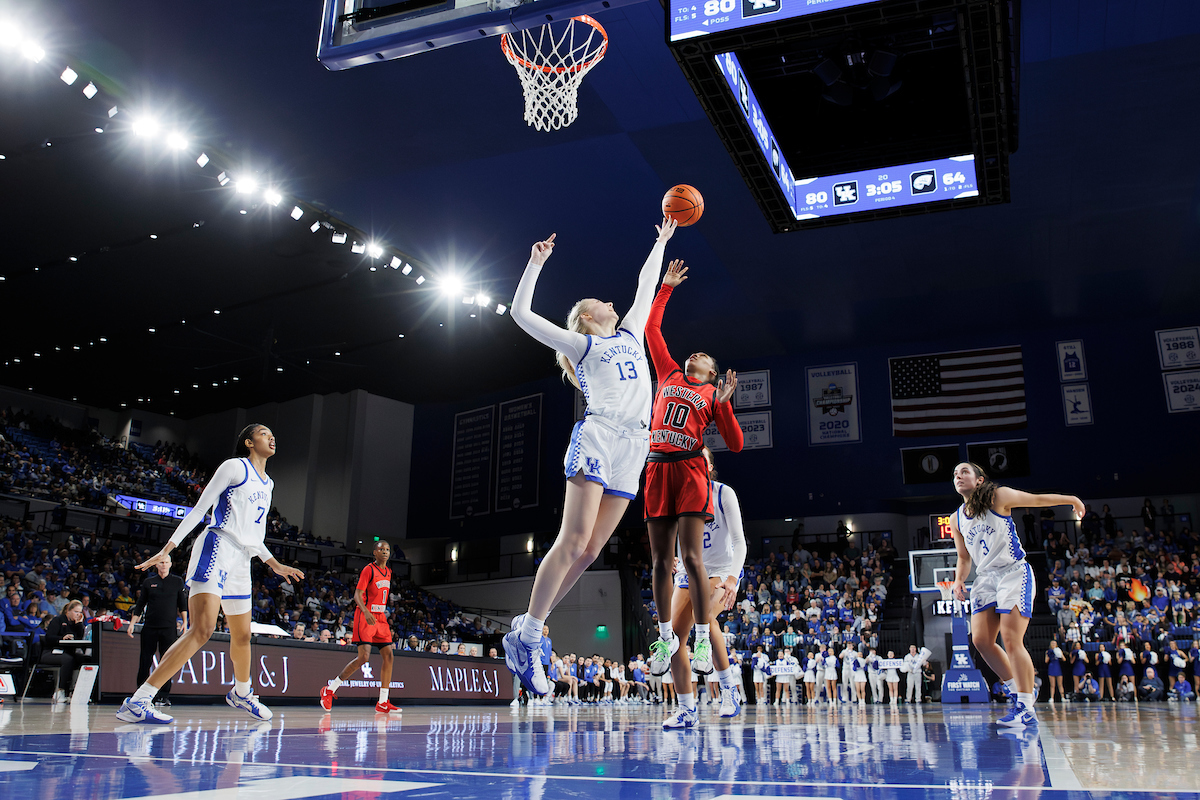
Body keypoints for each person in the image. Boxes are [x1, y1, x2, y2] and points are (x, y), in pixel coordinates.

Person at [503, 220, 676, 697]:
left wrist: (659, 240)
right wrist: (534, 265)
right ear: (584, 316)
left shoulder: (631, 334)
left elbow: (645, 286)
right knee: (573, 538)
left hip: (634, 446)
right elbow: (520, 314)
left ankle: (525, 627)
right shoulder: (582, 343)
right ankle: (530, 635)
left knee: (592, 550)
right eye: (602, 301)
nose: (613, 302)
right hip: (598, 436)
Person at [115, 424, 305, 724]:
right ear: (248, 442)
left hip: (243, 559)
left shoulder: (268, 484)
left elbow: (255, 536)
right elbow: (199, 508)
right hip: (217, 546)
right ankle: (139, 701)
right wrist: (169, 547)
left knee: (242, 635)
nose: (271, 436)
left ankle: (242, 693)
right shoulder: (234, 467)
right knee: (201, 630)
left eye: (273, 433)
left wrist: (274, 564)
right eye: (264, 433)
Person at [643, 260, 742, 689]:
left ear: (712, 373)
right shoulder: (667, 372)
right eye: (693, 353)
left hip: (689, 470)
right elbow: (652, 331)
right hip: (656, 468)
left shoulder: (710, 394)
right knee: (660, 561)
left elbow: (735, 444)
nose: (694, 354)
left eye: (703, 356)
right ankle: (666, 639)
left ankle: (702, 639)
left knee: (691, 559)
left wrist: (725, 404)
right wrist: (664, 288)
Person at [948, 461, 1084, 729]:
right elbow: (963, 557)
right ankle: (1019, 691)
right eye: (955, 474)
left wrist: (1071, 499)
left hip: (1013, 572)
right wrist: (958, 581)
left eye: (964, 471)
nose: (958, 476)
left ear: (979, 480)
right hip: (986, 578)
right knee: (982, 640)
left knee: (1011, 638)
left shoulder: (998, 496)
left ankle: (1024, 706)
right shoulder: (956, 518)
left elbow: (1036, 499)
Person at [660, 447, 747, 729]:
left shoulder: (724, 493)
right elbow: (677, 536)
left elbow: (740, 541)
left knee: (705, 616)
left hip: (721, 571)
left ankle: (728, 690)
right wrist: (674, 554)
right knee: (672, 639)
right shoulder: (681, 496)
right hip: (689, 571)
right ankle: (686, 709)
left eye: (702, 460)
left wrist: (733, 579)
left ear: (709, 466)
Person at [320, 539, 400, 713]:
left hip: (380, 617)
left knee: (389, 656)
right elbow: (357, 595)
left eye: (387, 549)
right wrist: (365, 611)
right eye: (381, 549)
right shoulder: (368, 569)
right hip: (366, 615)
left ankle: (383, 702)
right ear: (375, 552)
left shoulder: (388, 572)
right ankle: (329, 690)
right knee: (364, 657)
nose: (385, 552)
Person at [127, 558, 188, 706]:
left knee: (166, 662)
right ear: (156, 565)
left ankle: (163, 695)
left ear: (171, 564)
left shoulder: (177, 581)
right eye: (161, 562)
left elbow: (182, 603)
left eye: (167, 562)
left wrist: (185, 622)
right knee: (145, 661)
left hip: (169, 628)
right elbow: (140, 604)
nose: (164, 565)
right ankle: (141, 694)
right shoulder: (149, 582)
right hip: (150, 627)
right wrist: (132, 623)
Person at [40, 599, 88, 701]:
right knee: (68, 660)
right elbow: (49, 638)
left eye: (80, 612)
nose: (78, 614)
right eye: (76, 612)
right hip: (51, 652)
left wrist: (79, 624)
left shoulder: (77, 624)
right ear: (68, 611)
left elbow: (79, 639)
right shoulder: (58, 620)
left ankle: (75, 691)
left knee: (84, 659)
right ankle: (60, 691)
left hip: (68, 652)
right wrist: (62, 638)